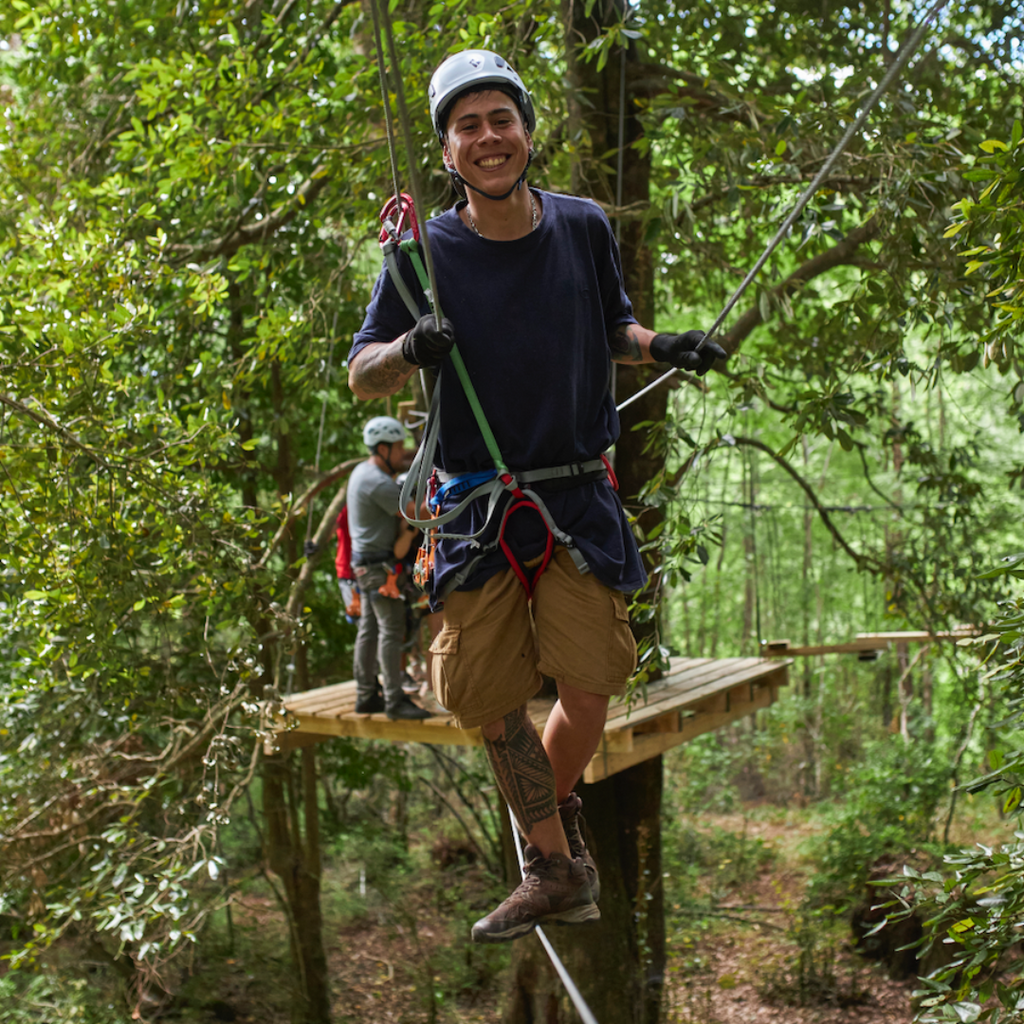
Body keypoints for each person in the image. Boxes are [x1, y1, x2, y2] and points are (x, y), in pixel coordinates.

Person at [347, 49, 727, 941]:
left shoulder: (582, 227)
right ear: (448, 151)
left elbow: (612, 325)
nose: (488, 138)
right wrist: (410, 350)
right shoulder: (422, 256)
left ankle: (545, 854)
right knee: (485, 699)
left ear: (526, 131)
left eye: (501, 120)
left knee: (591, 686)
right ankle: (556, 864)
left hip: (575, 491)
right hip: (477, 505)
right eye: (467, 126)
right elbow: (363, 371)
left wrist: (664, 346)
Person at [347, 415, 432, 721]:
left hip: (366, 565)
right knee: (391, 630)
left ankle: (366, 695)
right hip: (379, 568)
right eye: (397, 448)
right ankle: (395, 700)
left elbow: (403, 467)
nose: (401, 453)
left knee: (370, 630)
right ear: (382, 449)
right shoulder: (377, 482)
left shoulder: (362, 472)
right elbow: (417, 513)